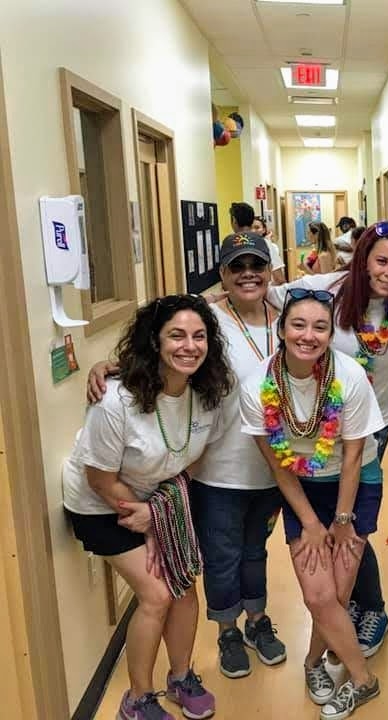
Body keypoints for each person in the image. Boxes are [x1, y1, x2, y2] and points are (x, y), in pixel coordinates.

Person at [87, 234, 289, 682]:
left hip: (274, 468)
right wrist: (107, 364)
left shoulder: (289, 314)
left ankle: (257, 621)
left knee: (255, 553)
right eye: (237, 266)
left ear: (272, 268)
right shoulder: (208, 317)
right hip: (216, 468)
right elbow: (161, 336)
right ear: (223, 275)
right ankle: (228, 632)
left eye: (258, 263)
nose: (248, 273)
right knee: (221, 556)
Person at [266, 221, 388, 664]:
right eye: (381, 260)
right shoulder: (325, 287)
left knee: (351, 525)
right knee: (323, 522)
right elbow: (262, 296)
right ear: (363, 256)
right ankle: (339, 604)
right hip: (310, 427)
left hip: (373, 428)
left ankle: (371, 610)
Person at [63, 295, 232, 720]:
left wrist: (158, 513)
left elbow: (193, 458)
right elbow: (98, 478)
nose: (189, 346)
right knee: (156, 594)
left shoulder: (207, 395)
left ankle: (181, 676)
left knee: (184, 584)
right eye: (176, 335)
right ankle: (136, 699)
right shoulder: (116, 400)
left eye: (199, 336)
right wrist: (147, 518)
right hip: (100, 504)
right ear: (155, 342)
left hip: (158, 499)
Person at [239, 288, 384, 719]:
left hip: (355, 486)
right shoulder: (258, 386)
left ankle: (311, 663)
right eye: (298, 325)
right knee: (320, 596)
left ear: (330, 333)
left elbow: (355, 455)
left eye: (320, 327)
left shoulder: (349, 377)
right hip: (302, 486)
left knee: (336, 592)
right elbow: (278, 465)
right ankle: (364, 681)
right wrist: (309, 522)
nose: (309, 335)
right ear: (281, 330)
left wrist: (341, 521)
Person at [252, 215, 286, 284]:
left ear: (264, 230)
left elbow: (279, 278)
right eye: (251, 228)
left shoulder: (269, 246)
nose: (253, 231)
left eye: (257, 228)